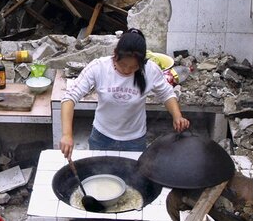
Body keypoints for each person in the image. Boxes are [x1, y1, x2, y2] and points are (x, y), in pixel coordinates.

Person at [59, 28, 189, 157]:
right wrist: (67, 135)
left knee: (132, 176)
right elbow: (69, 98)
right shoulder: (99, 67)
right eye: (123, 65)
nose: (127, 70)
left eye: (134, 67)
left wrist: (177, 116)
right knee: (99, 173)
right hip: (101, 137)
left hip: (135, 140)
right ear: (115, 55)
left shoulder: (150, 70)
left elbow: (167, 94)